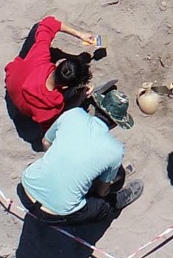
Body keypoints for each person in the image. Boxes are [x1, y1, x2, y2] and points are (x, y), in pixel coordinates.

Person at [19, 96, 142, 226]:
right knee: (101, 206)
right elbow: (102, 191)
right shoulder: (116, 150)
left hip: (25, 189)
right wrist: (106, 190)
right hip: (55, 213)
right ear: (116, 123)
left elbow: (45, 142)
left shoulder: (73, 113)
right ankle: (118, 200)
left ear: (97, 106)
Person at [4, 16, 98, 124]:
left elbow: (47, 23)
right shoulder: (52, 107)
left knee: (38, 29)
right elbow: (58, 119)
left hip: (13, 80)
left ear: (58, 64)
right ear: (64, 87)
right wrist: (80, 97)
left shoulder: (40, 57)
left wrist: (81, 34)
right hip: (26, 108)